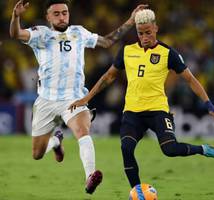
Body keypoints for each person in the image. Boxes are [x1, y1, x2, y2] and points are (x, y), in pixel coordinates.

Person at [69, 9, 214, 188]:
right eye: (140, 33)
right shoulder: (127, 51)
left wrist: (208, 103)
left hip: (158, 111)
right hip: (132, 113)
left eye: (148, 32)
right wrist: (86, 98)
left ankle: (204, 150)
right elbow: (108, 76)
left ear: (156, 28)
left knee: (170, 149)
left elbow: (190, 79)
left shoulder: (168, 53)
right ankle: (137, 192)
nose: (144, 37)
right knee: (126, 148)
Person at [9, 0, 147, 194]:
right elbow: (15, 34)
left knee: (83, 131)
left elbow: (107, 41)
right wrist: (16, 16)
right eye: (56, 14)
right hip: (46, 101)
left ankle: (90, 176)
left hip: (74, 98)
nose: (61, 16)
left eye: (64, 12)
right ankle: (56, 142)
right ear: (48, 17)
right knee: (37, 154)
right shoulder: (41, 34)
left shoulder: (79, 32)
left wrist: (131, 20)